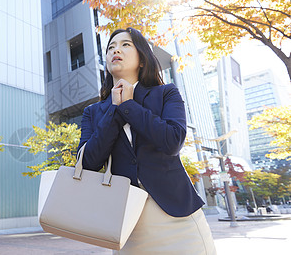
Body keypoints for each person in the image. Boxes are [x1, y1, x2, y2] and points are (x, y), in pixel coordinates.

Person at [77, 27, 216, 254]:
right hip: (127, 224)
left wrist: (129, 105)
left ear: (142, 59)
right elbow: (88, 163)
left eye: (125, 45)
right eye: (110, 47)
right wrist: (115, 110)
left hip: (178, 218)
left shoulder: (166, 94)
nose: (115, 50)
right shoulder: (93, 112)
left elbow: (173, 141)